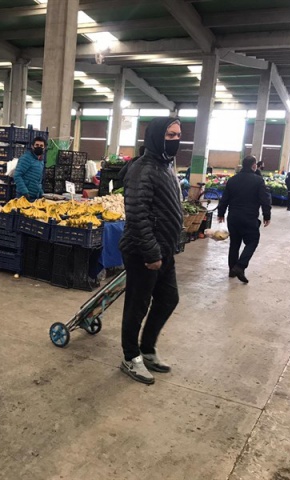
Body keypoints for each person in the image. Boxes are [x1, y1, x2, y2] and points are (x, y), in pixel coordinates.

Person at [118, 117, 183, 385]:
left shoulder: (165, 166)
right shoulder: (143, 169)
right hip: (143, 252)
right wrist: (151, 253)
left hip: (164, 249)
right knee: (137, 306)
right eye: (170, 135)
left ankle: (146, 349)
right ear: (157, 136)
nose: (176, 140)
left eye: (178, 135)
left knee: (169, 299)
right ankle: (130, 357)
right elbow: (137, 215)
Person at [217, 155, 271, 284]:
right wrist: (267, 215)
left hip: (233, 217)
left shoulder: (233, 180)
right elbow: (264, 199)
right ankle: (240, 266)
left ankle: (232, 270)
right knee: (252, 241)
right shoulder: (258, 180)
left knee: (234, 243)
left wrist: (221, 213)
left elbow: (225, 198)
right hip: (249, 217)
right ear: (254, 165)